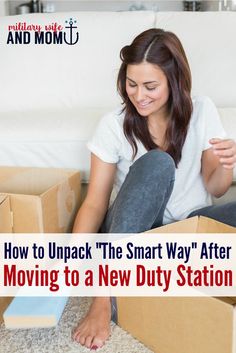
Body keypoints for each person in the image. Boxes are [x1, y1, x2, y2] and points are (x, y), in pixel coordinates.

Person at [72, 28, 236, 349]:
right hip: (133, 237)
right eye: (131, 85)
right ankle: (106, 298)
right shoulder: (113, 125)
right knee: (158, 163)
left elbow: (216, 188)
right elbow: (94, 203)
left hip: (185, 234)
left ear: (175, 82)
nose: (139, 95)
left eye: (150, 86)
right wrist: (71, 258)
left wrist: (227, 164)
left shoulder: (201, 110)